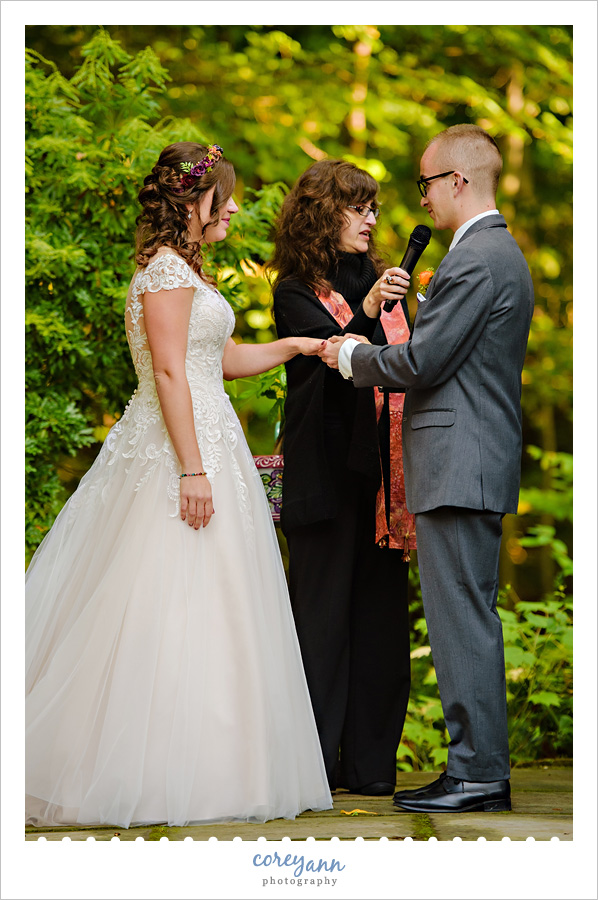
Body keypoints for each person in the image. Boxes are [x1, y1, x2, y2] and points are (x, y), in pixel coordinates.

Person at [25, 141, 333, 828]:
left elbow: (218, 360)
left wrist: (298, 347)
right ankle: (141, 771)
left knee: (216, 606)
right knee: (161, 603)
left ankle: (216, 768)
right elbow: (168, 372)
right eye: (225, 196)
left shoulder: (187, 274)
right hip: (178, 455)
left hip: (209, 443)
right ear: (195, 203)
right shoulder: (165, 275)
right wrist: (192, 469)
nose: (235, 208)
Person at [320, 125, 534, 813]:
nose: (422, 197)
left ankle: (477, 775)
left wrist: (352, 357)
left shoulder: (478, 258)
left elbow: (423, 363)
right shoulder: (491, 255)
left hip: (459, 462)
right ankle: (472, 767)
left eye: (426, 183)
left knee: (461, 621)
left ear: (458, 182)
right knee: (462, 618)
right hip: (467, 459)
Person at [269, 159, 415, 796]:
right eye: (358, 207)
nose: (371, 220)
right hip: (324, 476)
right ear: (322, 212)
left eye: (374, 208)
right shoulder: (294, 290)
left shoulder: (379, 281)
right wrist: (366, 309)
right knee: (321, 621)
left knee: (381, 621)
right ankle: (315, 770)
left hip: (382, 474)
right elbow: (330, 365)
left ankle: (371, 768)